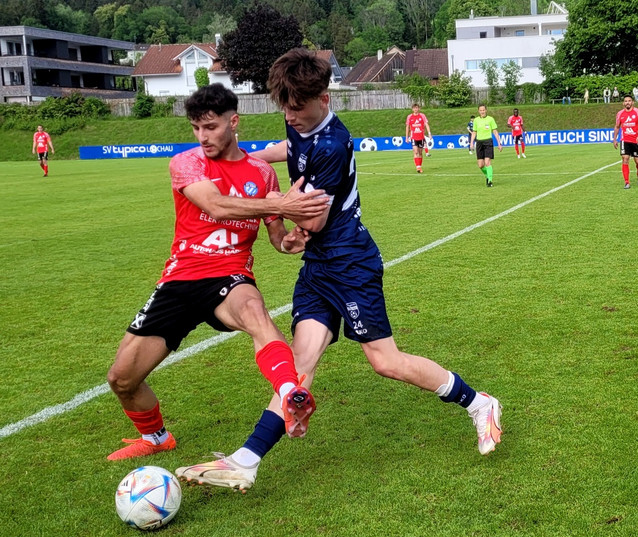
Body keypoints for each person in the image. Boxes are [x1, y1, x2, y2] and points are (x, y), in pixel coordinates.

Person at [176, 49, 504, 493]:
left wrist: (282, 215)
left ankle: (479, 403)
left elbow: (312, 221)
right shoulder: (300, 121)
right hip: (319, 265)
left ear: (324, 99)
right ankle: (247, 460)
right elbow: (286, 147)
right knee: (298, 366)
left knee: (385, 361)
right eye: (284, 108)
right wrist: (254, 161)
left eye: (298, 108)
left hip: (350, 261)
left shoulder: (332, 144)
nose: (290, 116)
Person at [106, 83, 328, 461]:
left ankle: (291, 394)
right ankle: (157, 437)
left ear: (234, 121)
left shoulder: (261, 173)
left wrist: (291, 240)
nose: (202, 136)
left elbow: (276, 238)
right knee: (121, 378)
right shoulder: (187, 163)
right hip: (180, 278)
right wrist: (279, 204)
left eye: (210, 127)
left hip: (229, 274)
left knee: (256, 314)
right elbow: (217, 205)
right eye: (196, 127)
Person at [611, 94, 638, 189]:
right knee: (625, 159)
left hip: (636, 140)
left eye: (629, 101)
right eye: (626, 101)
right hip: (625, 140)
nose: (628, 102)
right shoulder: (620, 114)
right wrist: (614, 139)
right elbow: (617, 126)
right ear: (623, 103)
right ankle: (627, 182)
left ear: (632, 102)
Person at [470, 103, 502, 186]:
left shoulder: (490, 119)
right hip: (479, 142)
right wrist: (471, 143)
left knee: (487, 162)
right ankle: (488, 175)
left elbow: (495, 131)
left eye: (483, 110)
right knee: (480, 165)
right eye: (480, 110)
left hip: (488, 142)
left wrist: (499, 143)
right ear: (478, 111)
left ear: (486, 110)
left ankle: (490, 181)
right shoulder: (476, 120)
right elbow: (474, 132)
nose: (482, 112)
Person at [405, 103, 432, 173]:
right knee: (415, 151)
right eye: (414, 108)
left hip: (421, 137)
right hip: (413, 137)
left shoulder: (422, 116)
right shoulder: (409, 117)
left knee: (420, 152)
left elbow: (426, 124)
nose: (415, 109)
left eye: (416, 108)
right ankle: (418, 167)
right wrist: (406, 137)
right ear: (412, 109)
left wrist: (429, 134)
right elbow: (407, 127)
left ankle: (419, 166)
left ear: (419, 109)